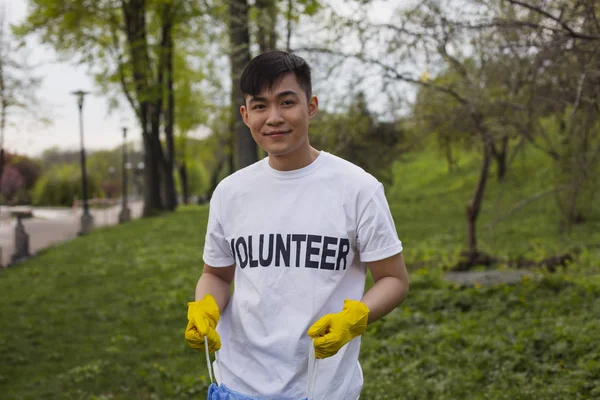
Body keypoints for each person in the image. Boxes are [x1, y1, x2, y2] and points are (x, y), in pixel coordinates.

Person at [185, 50, 409, 400]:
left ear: (311, 106)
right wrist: (206, 308)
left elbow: (394, 279)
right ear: (245, 115)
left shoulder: (358, 189)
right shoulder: (230, 193)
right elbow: (216, 274)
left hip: (323, 389)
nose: (274, 118)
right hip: (238, 387)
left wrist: (356, 317)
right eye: (260, 106)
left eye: (287, 102)